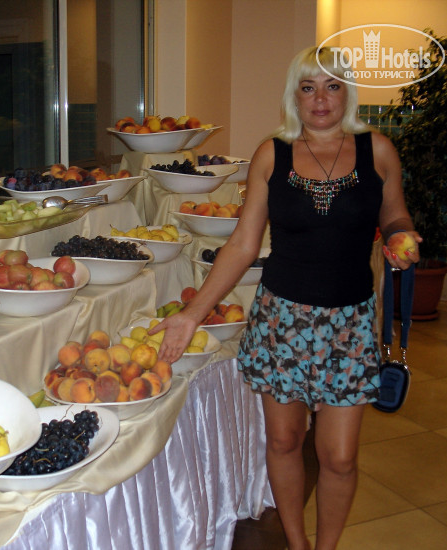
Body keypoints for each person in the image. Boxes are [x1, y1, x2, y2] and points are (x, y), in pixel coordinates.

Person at [151, 46, 421, 550]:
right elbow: (242, 244)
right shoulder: (271, 154)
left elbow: (394, 214)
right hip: (282, 320)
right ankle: (297, 544)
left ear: (347, 93)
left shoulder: (378, 151)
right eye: (308, 87)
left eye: (332, 86)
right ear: (293, 96)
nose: (320, 98)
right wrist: (192, 314)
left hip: (350, 322)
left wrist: (400, 235)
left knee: (340, 456)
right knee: (284, 441)